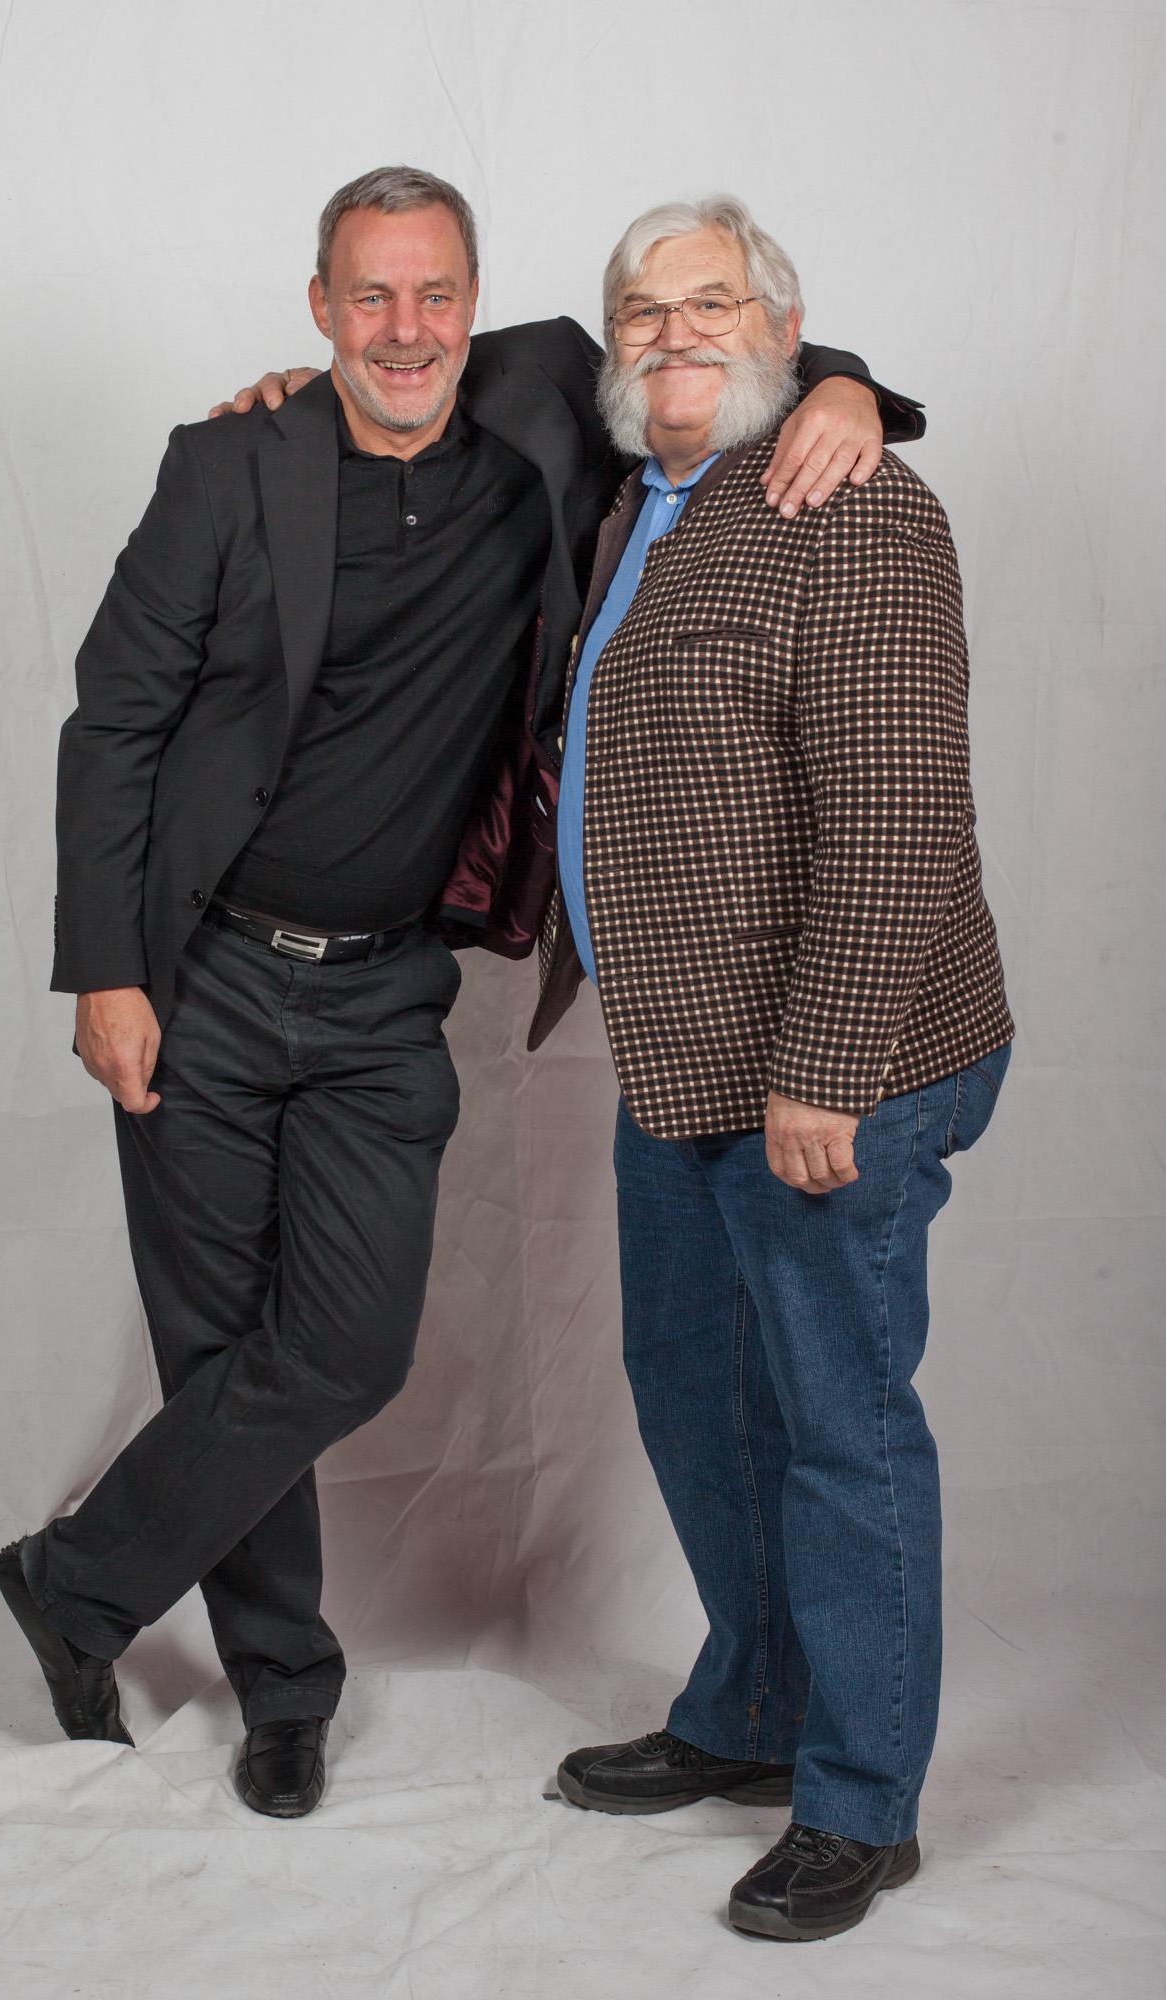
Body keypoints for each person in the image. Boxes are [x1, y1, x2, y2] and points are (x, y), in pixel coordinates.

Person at [0, 165, 922, 1820]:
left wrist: (846, 386)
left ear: (479, 307)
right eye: (370, 295)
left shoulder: (551, 407)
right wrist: (107, 972)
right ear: (319, 307)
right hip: (201, 980)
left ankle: (73, 1580)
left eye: (434, 294)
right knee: (221, 1353)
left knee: (340, 1348)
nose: (405, 327)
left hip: (382, 999)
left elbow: (717, 346)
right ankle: (284, 1689)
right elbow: (112, 721)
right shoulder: (227, 463)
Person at [525, 195, 1013, 1941]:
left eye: (711, 304)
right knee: (693, 1395)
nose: (673, 334)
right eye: (642, 310)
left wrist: (827, 1069)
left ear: (783, 332)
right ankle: (747, 1707)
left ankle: (860, 1802)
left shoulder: (848, 505)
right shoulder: (628, 497)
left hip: (835, 1062)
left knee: (835, 1427)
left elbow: (896, 818)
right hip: (677, 1052)